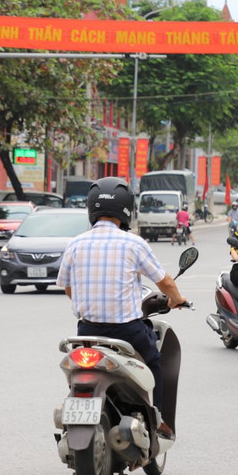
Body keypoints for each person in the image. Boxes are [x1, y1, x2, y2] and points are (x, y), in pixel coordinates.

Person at [57, 177, 188, 438]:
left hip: (87, 332)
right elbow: (165, 282)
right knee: (154, 361)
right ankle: (159, 419)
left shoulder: (76, 243)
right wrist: (176, 299)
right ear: (127, 209)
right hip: (126, 332)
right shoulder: (133, 243)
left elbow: (68, 287)